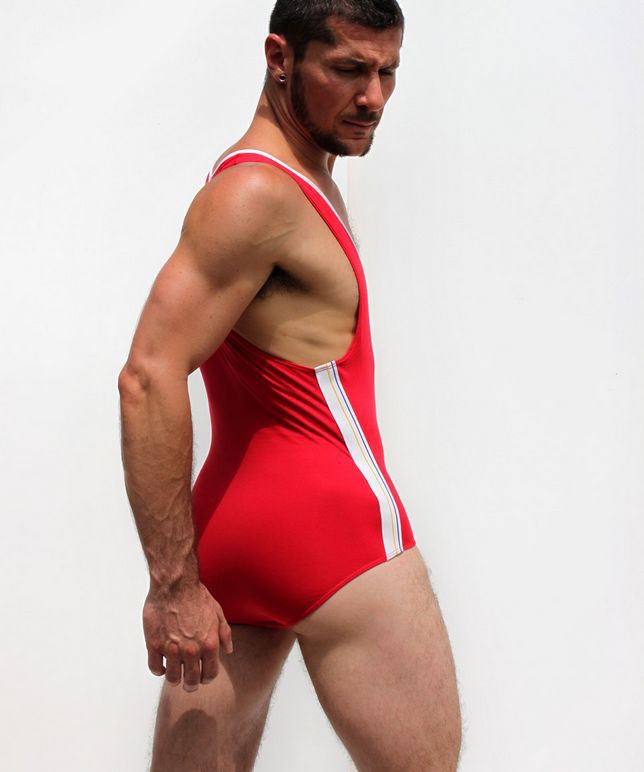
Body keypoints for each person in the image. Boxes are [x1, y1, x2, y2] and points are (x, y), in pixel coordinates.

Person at [118, 1, 462, 769]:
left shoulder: (274, 179)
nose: (373, 96)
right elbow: (147, 376)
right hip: (341, 539)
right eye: (348, 70)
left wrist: (186, 580)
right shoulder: (259, 197)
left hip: (230, 537)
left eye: (388, 72)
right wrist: (169, 587)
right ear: (279, 58)